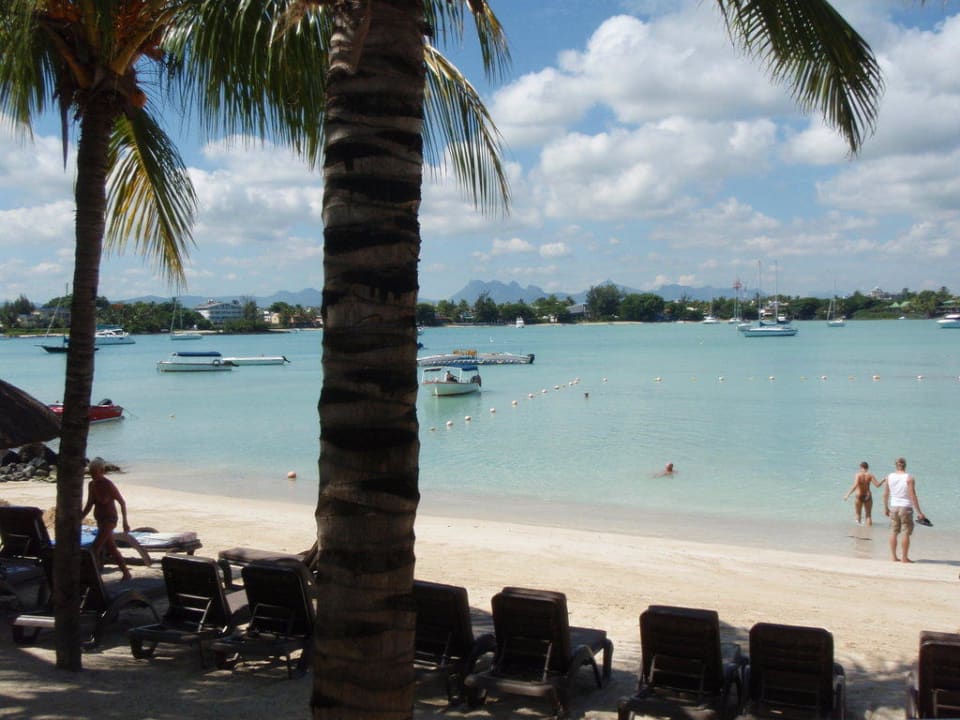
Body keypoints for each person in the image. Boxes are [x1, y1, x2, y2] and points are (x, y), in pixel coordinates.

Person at [81, 457, 132, 580]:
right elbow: (89, 504)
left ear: (102, 471)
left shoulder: (108, 485)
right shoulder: (91, 484)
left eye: (95, 473)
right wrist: (80, 518)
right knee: (111, 548)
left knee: (95, 548)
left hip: (110, 520)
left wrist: (125, 522)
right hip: (100, 520)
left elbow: (122, 502)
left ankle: (94, 575)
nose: (93, 475)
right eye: (91, 473)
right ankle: (126, 573)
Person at [883, 457, 927, 563]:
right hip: (905, 507)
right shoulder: (909, 478)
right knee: (905, 532)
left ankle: (893, 557)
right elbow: (912, 495)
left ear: (896, 465)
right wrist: (919, 512)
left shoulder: (889, 477)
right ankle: (904, 558)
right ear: (905, 465)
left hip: (893, 507)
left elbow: (885, 494)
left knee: (894, 531)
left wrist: (886, 508)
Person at [843, 461, 884, 525]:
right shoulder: (870, 475)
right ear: (867, 468)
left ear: (860, 467)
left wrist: (847, 494)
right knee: (868, 515)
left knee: (858, 514)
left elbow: (855, 485)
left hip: (859, 495)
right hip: (868, 496)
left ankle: (858, 530)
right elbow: (877, 485)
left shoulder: (858, 475)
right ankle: (869, 531)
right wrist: (883, 480)